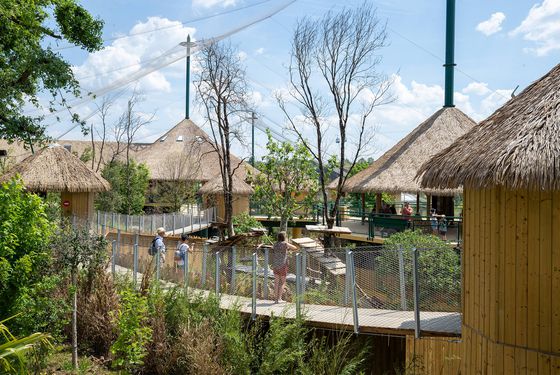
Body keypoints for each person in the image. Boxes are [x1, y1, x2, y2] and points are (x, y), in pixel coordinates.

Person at [271, 231, 298, 303]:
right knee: (283, 282)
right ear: (284, 237)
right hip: (282, 265)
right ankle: (279, 299)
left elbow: (274, 250)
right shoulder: (285, 244)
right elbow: (295, 248)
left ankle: (275, 299)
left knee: (276, 282)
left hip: (275, 265)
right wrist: (287, 247)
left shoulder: (275, 244)